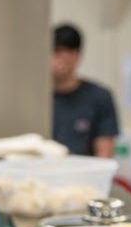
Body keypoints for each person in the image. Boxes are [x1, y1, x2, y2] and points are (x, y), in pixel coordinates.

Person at [51, 23, 119, 158]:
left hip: (83, 176)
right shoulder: (34, 100)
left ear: (76, 55)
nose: (56, 60)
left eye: (61, 52)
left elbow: (104, 153)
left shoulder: (99, 97)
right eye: (53, 52)